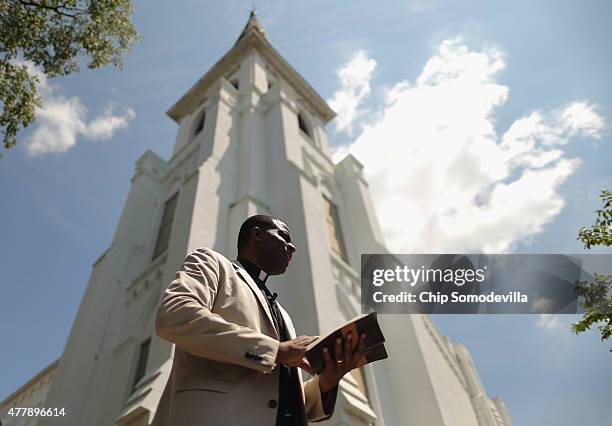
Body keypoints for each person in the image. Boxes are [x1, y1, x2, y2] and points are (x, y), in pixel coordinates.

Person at [151, 215, 366, 426]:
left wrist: (326, 382)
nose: (292, 248)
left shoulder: (283, 314)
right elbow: (174, 314)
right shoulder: (212, 263)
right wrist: (276, 351)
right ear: (257, 234)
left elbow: (275, 401)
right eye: (284, 237)